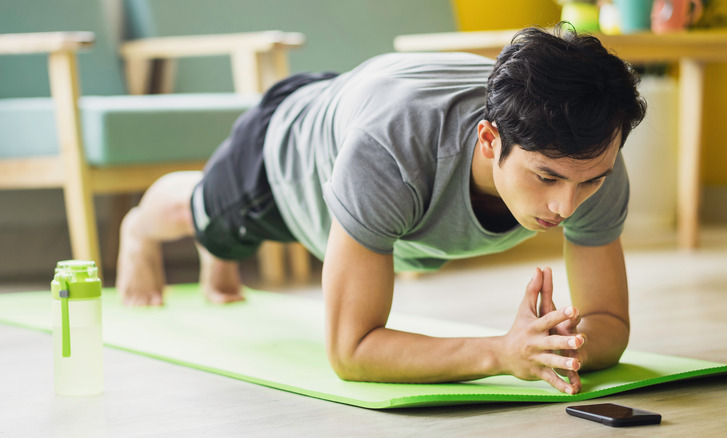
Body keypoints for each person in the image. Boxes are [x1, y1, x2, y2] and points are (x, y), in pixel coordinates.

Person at [116, 25, 646, 395]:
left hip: (368, 115)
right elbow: (352, 351)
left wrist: (557, 345)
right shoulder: (390, 151)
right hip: (286, 151)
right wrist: (503, 353)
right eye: (545, 177)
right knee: (205, 216)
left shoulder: (591, 156)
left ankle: (220, 259)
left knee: (224, 246)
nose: (566, 205)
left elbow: (610, 324)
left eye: (589, 182)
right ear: (489, 140)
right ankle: (140, 227)